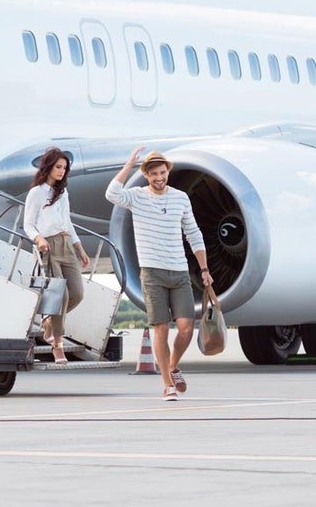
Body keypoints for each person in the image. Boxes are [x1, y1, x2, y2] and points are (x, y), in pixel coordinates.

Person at [105, 147, 211, 400]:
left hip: (179, 271)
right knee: (161, 329)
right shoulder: (136, 197)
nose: (159, 177)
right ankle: (167, 384)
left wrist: (204, 269)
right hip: (152, 273)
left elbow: (194, 234)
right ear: (146, 175)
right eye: (153, 174)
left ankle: (172, 366)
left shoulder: (180, 198)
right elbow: (111, 194)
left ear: (167, 172)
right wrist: (129, 164)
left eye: (162, 172)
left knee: (186, 327)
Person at [24, 147, 93, 363]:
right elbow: (28, 224)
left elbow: (67, 222)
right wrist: (38, 238)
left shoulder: (63, 192)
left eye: (64, 168)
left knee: (77, 293)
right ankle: (58, 347)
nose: (62, 171)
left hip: (67, 245)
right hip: (49, 246)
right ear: (48, 167)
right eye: (58, 167)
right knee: (60, 296)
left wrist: (79, 247)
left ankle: (48, 321)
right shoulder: (36, 193)